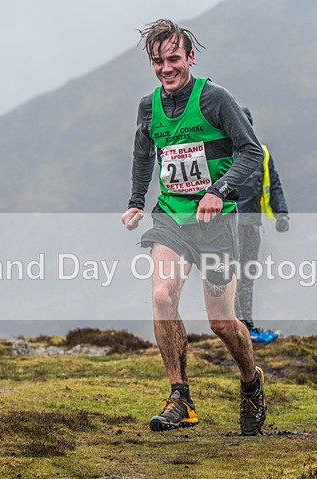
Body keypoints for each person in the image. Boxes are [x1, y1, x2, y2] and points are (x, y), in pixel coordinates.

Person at [120, 19, 266, 436]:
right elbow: (143, 154)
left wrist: (219, 190)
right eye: (158, 61)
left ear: (189, 57)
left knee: (221, 323)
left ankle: (251, 382)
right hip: (171, 217)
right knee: (163, 295)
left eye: (174, 59)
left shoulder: (216, 99)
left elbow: (251, 151)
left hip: (216, 223)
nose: (166, 69)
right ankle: (180, 397)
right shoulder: (148, 107)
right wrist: (135, 201)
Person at [235, 107, 290, 344]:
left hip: (252, 226)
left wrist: (281, 214)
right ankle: (236, 328)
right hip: (227, 227)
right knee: (231, 277)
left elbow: (273, 184)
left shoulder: (261, 154)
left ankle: (245, 326)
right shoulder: (220, 153)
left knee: (246, 276)